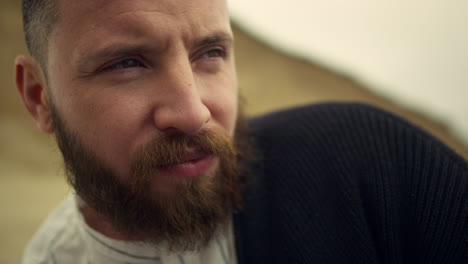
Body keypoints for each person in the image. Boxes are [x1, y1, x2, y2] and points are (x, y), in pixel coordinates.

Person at [15, 0, 467, 263]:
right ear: (40, 98)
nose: (193, 113)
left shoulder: (371, 167)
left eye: (210, 52)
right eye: (126, 63)